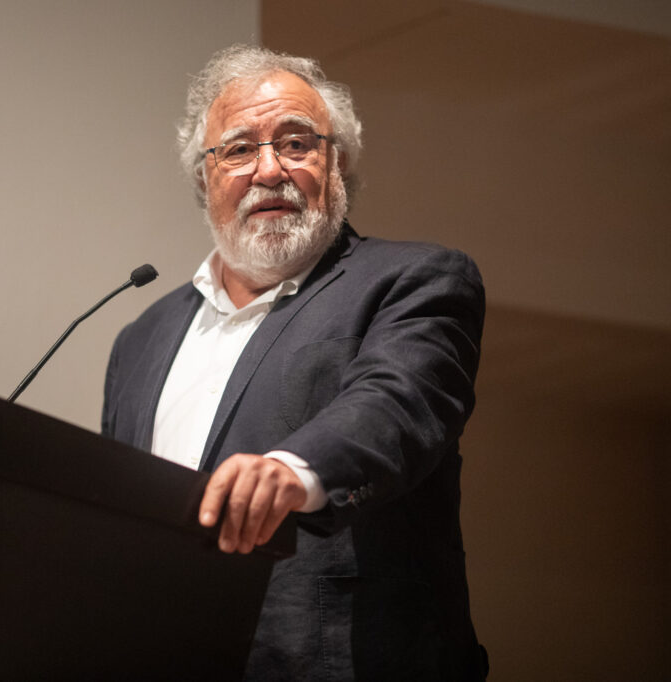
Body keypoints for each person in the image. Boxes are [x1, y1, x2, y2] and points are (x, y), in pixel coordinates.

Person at [102, 44, 488, 681]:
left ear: (337, 165)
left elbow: (394, 404)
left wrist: (293, 470)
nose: (268, 169)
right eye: (238, 149)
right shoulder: (142, 338)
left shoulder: (413, 280)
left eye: (297, 143)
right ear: (204, 178)